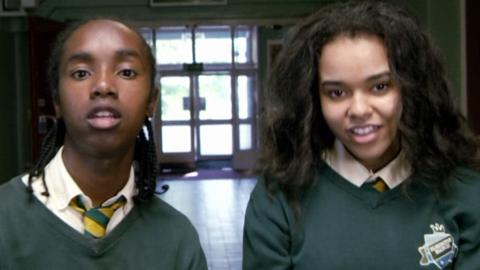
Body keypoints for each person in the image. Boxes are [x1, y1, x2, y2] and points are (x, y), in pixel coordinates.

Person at [243, 1, 480, 269]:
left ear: (411, 87)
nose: (358, 109)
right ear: (313, 99)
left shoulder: (466, 190)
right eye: (336, 92)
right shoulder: (278, 200)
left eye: (379, 86)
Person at [0, 18, 207, 270]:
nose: (103, 86)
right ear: (57, 101)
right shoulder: (5, 220)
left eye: (126, 72)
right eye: (81, 73)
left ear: (152, 101)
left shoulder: (176, 239)